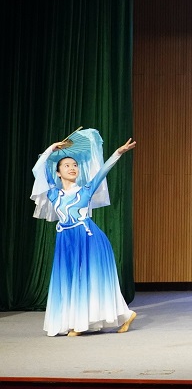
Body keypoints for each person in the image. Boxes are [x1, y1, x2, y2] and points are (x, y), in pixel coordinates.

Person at [30, 128, 138, 337]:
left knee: (90, 280)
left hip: (89, 238)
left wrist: (118, 152)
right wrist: (51, 148)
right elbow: (38, 169)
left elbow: (104, 170)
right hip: (66, 240)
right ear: (58, 172)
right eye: (67, 165)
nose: (72, 168)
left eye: (75, 165)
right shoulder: (53, 193)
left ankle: (82, 324)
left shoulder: (86, 190)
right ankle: (84, 320)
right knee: (69, 281)